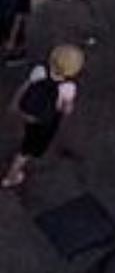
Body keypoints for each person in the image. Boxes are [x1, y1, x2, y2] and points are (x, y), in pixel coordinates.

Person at [2, 44, 83, 189]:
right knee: (27, 150)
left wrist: (15, 103)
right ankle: (11, 176)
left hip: (29, 112)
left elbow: (26, 85)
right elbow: (66, 109)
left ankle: (16, 167)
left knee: (29, 133)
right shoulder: (68, 87)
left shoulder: (40, 70)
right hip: (45, 120)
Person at [0, 0, 44, 66]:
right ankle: (13, 57)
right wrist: (11, 39)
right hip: (8, 25)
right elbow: (18, 20)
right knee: (18, 43)